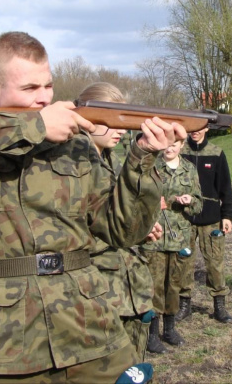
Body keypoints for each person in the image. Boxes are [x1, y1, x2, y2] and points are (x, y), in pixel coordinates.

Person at [0, 31, 187, 384]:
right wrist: (36, 126)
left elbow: (122, 231)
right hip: (10, 341)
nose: (44, 99)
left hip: (91, 324)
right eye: (30, 88)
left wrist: (142, 158)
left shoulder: (76, 147)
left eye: (48, 86)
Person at [78, 82, 156, 361]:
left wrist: (139, 230)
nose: (121, 129)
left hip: (124, 286)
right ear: (88, 118)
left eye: (123, 121)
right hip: (97, 291)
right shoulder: (75, 162)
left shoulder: (109, 158)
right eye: (112, 121)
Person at [140, 138, 202, 353]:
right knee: (154, 286)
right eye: (167, 143)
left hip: (179, 238)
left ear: (182, 144)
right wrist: (152, 203)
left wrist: (189, 201)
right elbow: (135, 198)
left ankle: (170, 329)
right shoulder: (150, 167)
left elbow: (199, 205)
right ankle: (151, 334)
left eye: (175, 143)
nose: (170, 147)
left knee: (174, 285)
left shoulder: (189, 169)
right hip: (154, 237)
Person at [176, 127, 232, 324]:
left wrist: (227, 215)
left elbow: (225, 186)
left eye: (199, 128)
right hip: (184, 218)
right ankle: (184, 303)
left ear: (207, 128)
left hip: (211, 219)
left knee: (215, 262)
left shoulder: (216, 153)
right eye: (192, 128)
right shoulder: (180, 152)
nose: (195, 132)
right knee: (184, 261)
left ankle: (219, 304)